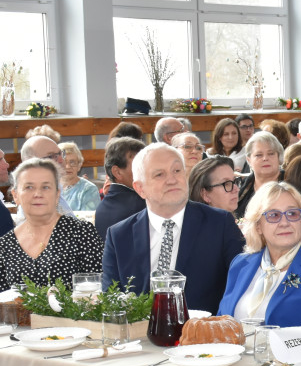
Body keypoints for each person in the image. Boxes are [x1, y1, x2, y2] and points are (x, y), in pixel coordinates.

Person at [102, 143, 245, 312]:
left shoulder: (219, 224)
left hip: (201, 333)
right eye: (159, 174)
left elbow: (242, 286)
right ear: (140, 188)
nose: (172, 180)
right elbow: (111, 300)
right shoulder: (119, 236)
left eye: (177, 171)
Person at [217, 182, 301, 334]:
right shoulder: (241, 264)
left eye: (292, 214)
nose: (284, 223)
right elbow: (222, 324)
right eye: (273, 215)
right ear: (258, 226)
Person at [0, 158, 103, 292]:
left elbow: (97, 290)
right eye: (29, 187)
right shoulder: (3, 246)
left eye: (46, 187)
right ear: (15, 195)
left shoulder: (82, 233)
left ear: (57, 194)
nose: (38, 194)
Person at [94, 137, 146, 239]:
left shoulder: (102, 206)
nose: (146, 169)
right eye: (138, 165)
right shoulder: (141, 204)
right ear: (117, 172)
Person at [19, 135, 76, 217]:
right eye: (52, 156)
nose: (61, 160)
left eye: (60, 153)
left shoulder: (56, 189)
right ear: (31, 162)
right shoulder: (36, 200)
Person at [235, 131, 285, 219]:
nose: (265, 158)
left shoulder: (292, 184)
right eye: (259, 155)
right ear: (249, 160)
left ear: (279, 156)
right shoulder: (241, 191)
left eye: (271, 153)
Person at [59, 142, 100, 212]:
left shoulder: (88, 189)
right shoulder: (49, 187)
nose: (68, 166)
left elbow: (88, 220)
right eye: (64, 162)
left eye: (72, 162)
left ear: (79, 166)